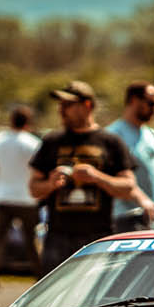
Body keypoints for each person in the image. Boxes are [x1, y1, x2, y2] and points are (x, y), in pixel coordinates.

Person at [27, 81, 136, 270]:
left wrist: (96, 176)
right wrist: (50, 184)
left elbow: (128, 187)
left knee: (97, 297)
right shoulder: (52, 141)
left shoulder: (110, 142)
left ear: (87, 105)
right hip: (57, 237)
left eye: (68, 104)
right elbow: (33, 189)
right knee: (54, 297)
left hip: (98, 236)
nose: (61, 110)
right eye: (60, 105)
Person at [0, 104, 42, 288]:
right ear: (28, 122)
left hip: (3, 195)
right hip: (26, 197)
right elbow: (38, 170)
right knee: (31, 239)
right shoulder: (32, 143)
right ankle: (40, 275)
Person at [106, 82, 154, 233]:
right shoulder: (114, 135)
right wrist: (141, 199)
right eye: (151, 103)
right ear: (133, 101)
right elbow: (113, 178)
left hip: (151, 220)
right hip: (126, 219)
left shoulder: (150, 134)